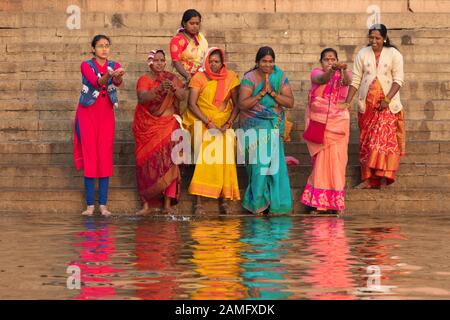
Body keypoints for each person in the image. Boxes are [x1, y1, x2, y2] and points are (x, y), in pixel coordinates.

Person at [344, 24, 405, 189]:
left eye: (377, 38)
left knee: (382, 141)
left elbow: (398, 80)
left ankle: (382, 177)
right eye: (371, 38)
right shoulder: (363, 53)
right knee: (368, 142)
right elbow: (355, 80)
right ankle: (370, 178)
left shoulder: (394, 54)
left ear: (384, 38)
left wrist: (387, 99)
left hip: (387, 105)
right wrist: (347, 101)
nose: (374, 41)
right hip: (367, 106)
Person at [182, 47, 241, 215]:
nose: (214, 64)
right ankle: (198, 200)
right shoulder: (199, 77)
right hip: (199, 120)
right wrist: (208, 122)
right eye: (211, 61)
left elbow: (237, 105)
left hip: (223, 122)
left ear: (223, 63)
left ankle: (224, 197)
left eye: (217, 61)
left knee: (228, 140)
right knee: (208, 140)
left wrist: (229, 123)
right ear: (206, 62)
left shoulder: (231, 78)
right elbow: (191, 104)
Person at [238, 46, 295, 215]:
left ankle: (276, 205)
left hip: (273, 124)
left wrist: (273, 93)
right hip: (253, 124)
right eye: (264, 61)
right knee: (259, 165)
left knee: (274, 165)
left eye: (270, 61)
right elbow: (242, 104)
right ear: (257, 62)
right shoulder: (249, 78)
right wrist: (261, 94)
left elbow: (290, 102)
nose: (267, 65)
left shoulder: (280, 75)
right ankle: (257, 204)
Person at [73, 35, 124, 216]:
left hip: (106, 114)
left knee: (104, 156)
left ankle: (102, 205)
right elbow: (97, 82)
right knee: (90, 156)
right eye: (100, 46)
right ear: (93, 48)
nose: (104, 49)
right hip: (87, 114)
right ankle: (89, 206)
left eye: (107, 46)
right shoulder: (86, 65)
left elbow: (118, 83)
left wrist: (117, 77)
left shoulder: (115, 65)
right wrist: (108, 75)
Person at [133, 49, 185, 215]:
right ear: (150, 62)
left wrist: (174, 89)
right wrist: (158, 89)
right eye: (156, 60)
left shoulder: (172, 78)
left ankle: (167, 204)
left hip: (169, 126)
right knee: (146, 164)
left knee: (170, 163)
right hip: (148, 127)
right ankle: (146, 204)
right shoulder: (144, 79)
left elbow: (183, 96)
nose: (160, 63)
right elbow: (142, 98)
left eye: (162, 60)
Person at [300, 48, 352, 215]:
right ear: (321, 62)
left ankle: (334, 203)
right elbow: (322, 79)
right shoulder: (316, 73)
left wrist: (342, 69)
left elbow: (348, 82)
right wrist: (331, 71)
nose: (330, 61)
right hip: (320, 123)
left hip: (339, 123)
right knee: (321, 162)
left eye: (333, 59)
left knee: (337, 162)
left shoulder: (344, 73)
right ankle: (317, 203)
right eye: (326, 59)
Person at [170, 9, 208, 87]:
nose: (195, 26)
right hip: (182, 78)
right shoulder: (178, 39)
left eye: (197, 24)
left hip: (199, 77)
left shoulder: (201, 38)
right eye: (191, 23)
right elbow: (176, 61)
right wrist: (187, 76)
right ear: (184, 23)